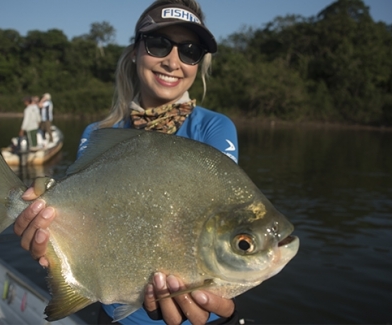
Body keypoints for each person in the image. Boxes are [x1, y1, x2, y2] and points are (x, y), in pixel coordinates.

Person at [14, 1, 240, 324]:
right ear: (135, 50)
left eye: (189, 50)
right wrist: (49, 238)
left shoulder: (216, 129)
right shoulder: (97, 133)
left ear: (198, 63)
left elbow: (225, 228)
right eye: (159, 44)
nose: (173, 61)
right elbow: (81, 221)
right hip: (115, 316)